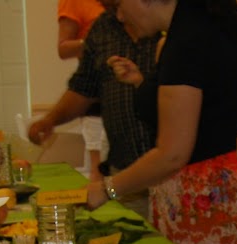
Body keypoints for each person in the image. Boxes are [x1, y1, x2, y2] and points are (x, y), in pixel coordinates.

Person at [86, 0, 237, 244]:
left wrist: (106, 189)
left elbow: (172, 154)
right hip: (236, 196)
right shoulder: (218, 16)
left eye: (120, 5)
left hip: (208, 212)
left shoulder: (187, 39)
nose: (119, 15)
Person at [29, 0, 161, 217]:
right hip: (124, 173)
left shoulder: (172, 26)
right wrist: (50, 119)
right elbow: (83, 88)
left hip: (172, 173)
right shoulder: (102, 28)